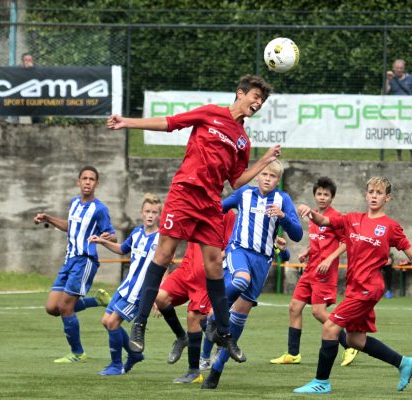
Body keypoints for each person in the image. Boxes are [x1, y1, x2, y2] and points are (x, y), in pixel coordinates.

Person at [107, 74, 280, 363]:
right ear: (240, 93)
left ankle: (223, 332)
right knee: (164, 254)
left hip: (211, 202)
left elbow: (236, 181)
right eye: (255, 97)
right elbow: (170, 123)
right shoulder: (211, 113)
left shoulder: (243, 140)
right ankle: (139, 325)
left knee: (214, 265)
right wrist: (128, 122)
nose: (258, 103)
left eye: (262, 101)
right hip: (185, 193)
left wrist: (262, 162)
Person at [293, 176, 412, 395]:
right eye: (371, 192)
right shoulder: (352, 218)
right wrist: (309, 212)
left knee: (330, 327)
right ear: (366, 194)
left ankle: (322, 381)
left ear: (387, 198)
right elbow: (324, 222)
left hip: (369, 288)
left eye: (379, 193)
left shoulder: (390, 227)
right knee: (355, 339)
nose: (374, 196)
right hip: (354, 286)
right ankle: (403, 362)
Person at [202, 159, 303, 389]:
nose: (267, 178)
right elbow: (219, 210)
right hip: (239, 250)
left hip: (262, 261)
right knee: (240, 279)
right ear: (257, 175)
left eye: (273, 176)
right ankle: (213, 319)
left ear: (278, 180)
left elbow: (297, 234)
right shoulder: (243, 193)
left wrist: (284, 217)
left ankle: (216, 371)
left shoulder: (283, 200)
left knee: (240, 316)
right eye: (264, 174)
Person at [270, 176, 359, 367]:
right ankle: (293, 354)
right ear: (314, 195)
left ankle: (350, 345)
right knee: (294, 307)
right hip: (310, 269)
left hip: (325, 273)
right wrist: (307, 251)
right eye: (319, 193)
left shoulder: (334, 218)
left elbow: (345, 243)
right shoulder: (313, 217)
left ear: (332, 198)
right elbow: (317, 240)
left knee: (319, 312)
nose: (322, 197)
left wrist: (328, 259)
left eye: (326, 194)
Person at [33, 165, 114, 363]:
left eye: (91, 179)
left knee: (65, 307)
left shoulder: (100, 209)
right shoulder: (74, 203)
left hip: (84, 261)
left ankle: (78, 353)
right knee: (52, 308)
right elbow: (71, 226)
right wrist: (48, 218)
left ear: (96, 183)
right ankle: (97, 300)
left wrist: (106, 237)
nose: (87, 182)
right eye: (84, 178)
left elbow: (112, 233)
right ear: (78, 182)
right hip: (69, 260)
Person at [155, 210, 236, 384]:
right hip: (186, 269)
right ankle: (181, 337)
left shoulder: (227, 215)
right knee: (160, 297)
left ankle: (194, 371)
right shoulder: (192, 207)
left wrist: (214, 258)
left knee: (193, 317)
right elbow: (176, 234)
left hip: (205, 278)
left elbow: (231, 246)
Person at [88, 193, 162, 375]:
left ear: (159, 215)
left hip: (139, 293)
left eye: (154, 212)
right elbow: (122, 249)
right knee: (106, 321)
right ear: (142, 213)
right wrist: (102, 241)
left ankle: (116, 365)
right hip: (125, 287)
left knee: (113, 322)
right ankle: (134, 354)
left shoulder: (162, 239)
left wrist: (158, 296)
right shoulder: (136, 232)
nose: (151, 215)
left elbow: (164, 268)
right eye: (147, 211)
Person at [385, 59, 412, 162]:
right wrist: (387, 81)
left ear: (404, 69)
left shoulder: (410, 78)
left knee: (409, 132)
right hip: (396, 110)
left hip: (408, 110)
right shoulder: (391, 79)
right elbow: (385, 92)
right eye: (397, 68)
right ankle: (399, 156)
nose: (399, 70)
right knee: (398, 133)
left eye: (401, 68)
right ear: (393, 69)